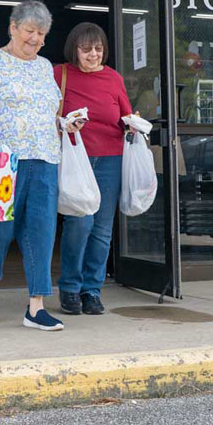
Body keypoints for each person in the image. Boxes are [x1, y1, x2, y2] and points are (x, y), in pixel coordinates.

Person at [0, 0, 83, 332]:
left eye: (42, 34)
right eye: (30, 31)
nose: (36, 40)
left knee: (42, 232)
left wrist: (65, 123)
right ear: (13, 27)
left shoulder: (45, 67)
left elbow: (45, 114)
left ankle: (36, 305)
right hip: (2, 160)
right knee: (0, 228)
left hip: (44, 158)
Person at [54, 22, 132, 316]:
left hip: (111, 158)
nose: (93, 54)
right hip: (76, 159)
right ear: (74, 49)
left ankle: (92, 290)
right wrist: (63, 124)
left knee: (101, 230)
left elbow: (125, 116)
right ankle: (70, 288)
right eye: (86, 49)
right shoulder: (58, 74)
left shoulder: (113, 78)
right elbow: (45, 116)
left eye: (98, 48)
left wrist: (133, 125)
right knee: (79, 223)